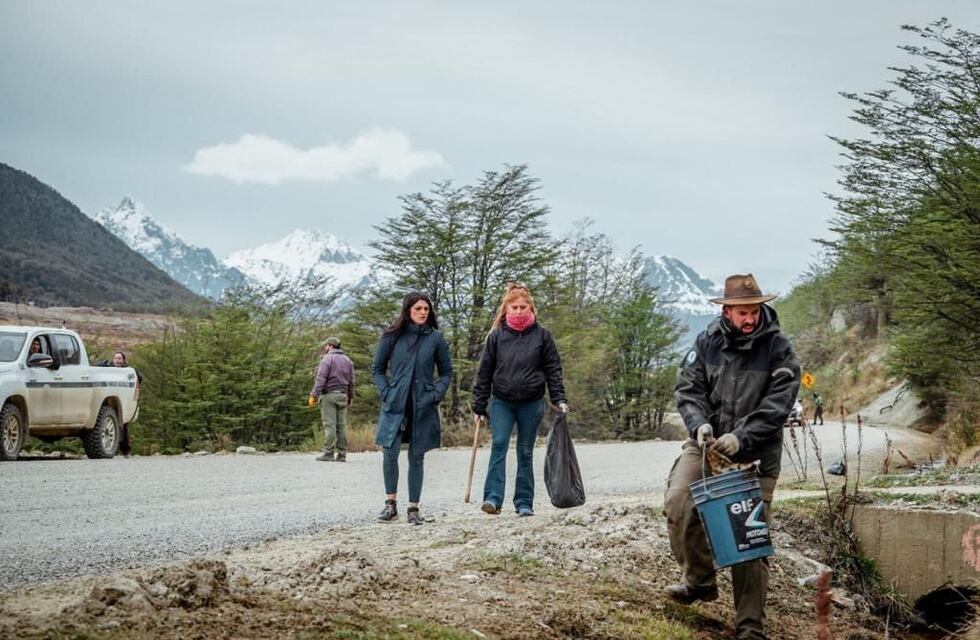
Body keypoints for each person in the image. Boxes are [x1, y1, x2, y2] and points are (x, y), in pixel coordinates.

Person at [665, 274, 800, 640]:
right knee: (679, 501)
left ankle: (750, 628)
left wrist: (740, 438)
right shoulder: (706, 341)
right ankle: (699, 581)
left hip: (755, 454)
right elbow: (688, 389)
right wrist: (699, 425)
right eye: (743, 312)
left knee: (747, 538)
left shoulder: (779, 349)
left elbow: (778, 406)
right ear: (727, 311)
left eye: (754, 311)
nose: (750, 318)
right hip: (706, 445)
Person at [472, 283, 567, 517]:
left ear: (531, 308)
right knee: (499, 445)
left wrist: (559, 398)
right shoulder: (496, 337)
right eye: (514, 307)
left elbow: (553, 370)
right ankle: (492, 498)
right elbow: (484, 372)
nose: (518, 311)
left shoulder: (542, 336)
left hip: (531, 402)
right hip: (502, 401)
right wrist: (479, 405)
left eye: (523, 307)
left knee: (525, 451)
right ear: (506, 309)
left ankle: (524, 502)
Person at [371, 291, 452, 525]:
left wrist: (435, 395)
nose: (423, 312)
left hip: (423, 404)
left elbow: (446, 373)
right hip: (395, 403)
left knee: (417, 456)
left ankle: (413, 508)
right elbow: (377, 369)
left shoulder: (436, 338)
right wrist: (386, 392)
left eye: (426, 309)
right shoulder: (391, 336)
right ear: (408, 310)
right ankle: (390, 505)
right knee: (390, 453)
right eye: (418, 308)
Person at [308, 336, 355, 462]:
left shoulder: (327, 359)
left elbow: (321, 379)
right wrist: (350, 397)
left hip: (329, 396)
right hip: (343, 396)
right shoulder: (348, 361)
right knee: (341, 426)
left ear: (330, 346)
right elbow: (351, 382)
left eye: (326, 345)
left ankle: (328, 453)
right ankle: (342, 455)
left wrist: (314, 395)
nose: (325, 347)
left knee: (330, 425)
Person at [111, 351, 142, 457]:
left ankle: (125, 450)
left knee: (124, 426)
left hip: (124, 401)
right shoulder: (110, 370)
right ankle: (113, 450)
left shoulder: (129, 371)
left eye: (119, 358)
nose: (117, 360)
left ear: (124, 360)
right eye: (116, 358)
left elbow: (139, 379)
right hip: (112, 401)